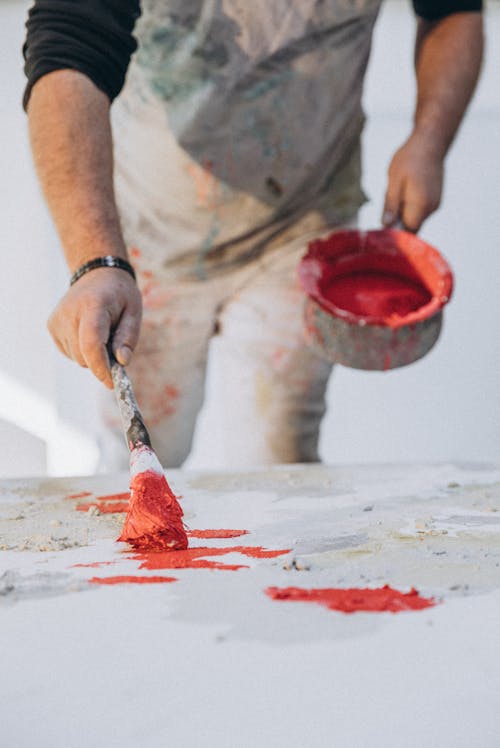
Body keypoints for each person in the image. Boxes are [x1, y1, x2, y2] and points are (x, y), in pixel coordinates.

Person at [23, 1, 483, 470]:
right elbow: (67, 48)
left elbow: (452, 10)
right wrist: (96, 262)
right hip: (150, 232)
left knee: (279, 469)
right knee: (136, 466)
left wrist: (429, 139)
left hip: (301, 228)